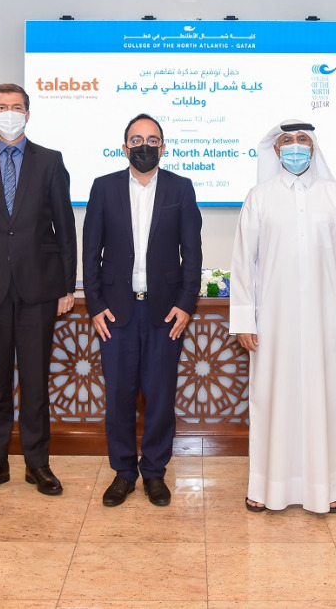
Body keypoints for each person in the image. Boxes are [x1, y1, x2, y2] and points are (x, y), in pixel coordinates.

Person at [230, 120, 336, 514]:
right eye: (286, 141)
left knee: (325, 399)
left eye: (302, 141)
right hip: (271, 322)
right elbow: (244, 265)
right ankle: (265, 485)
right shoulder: (259, 197)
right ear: (275, 150)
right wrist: (244, 321)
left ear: (314, 148)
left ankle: (329, 485)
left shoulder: (335, 196)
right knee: (271, 398)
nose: (294, 147)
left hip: (327, 322)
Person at [0, 83, 77, 498]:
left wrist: (66, 285)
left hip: (39, 289)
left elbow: (65, 229)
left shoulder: (50, 162)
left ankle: (37, 464)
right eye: (2, 107)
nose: (10, 113)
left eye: (17, 107)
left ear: (29, 113)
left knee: (36, 381)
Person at [83, 113, 202, 507]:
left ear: (163, 147)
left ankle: (154, 472)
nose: (144, 146)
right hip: (115, 314)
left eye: (152, 140)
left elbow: (193, 252)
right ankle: (123, 473)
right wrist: (95, 306)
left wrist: (186, 305)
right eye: (136, 140)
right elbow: (91, 251)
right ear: (124, 147)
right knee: (118, 398)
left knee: (160, 396)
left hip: (164, 314)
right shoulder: (103, 188)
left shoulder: (181, 189)